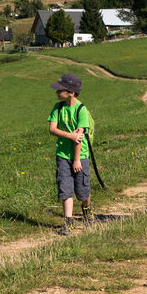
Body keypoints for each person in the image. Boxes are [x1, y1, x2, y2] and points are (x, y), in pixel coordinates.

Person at [47, 73, 92, 234]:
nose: (57, 92)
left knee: (82, 191)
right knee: (65, 189)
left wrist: (77, 160)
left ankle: (87, 209)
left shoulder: (81, 110)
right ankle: (69, 221)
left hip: (80, 156)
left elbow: (79, 138)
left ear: (71, 92)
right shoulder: (58, 107)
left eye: (60, 89)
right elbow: (52, 129)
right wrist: (69, 135)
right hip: (62, 155)